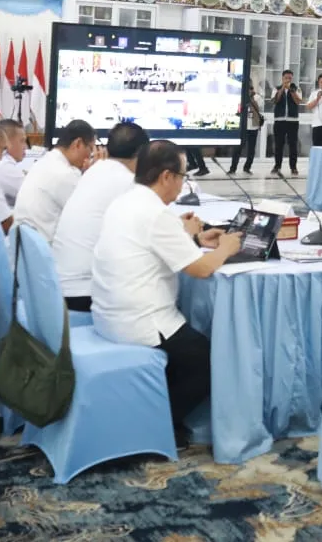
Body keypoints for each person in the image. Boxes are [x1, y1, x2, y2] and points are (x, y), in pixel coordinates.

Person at [90, 141, 243, 440]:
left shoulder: (127, 200)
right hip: (142, 323)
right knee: (208, 360)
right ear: (166, 177)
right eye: (183, 175)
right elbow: (200, 270)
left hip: (109, 314)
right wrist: (225, 248)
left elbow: (155, 245)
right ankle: (155, 425)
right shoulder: (156, 214)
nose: (183, 183)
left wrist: (196, 241)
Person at [51, 122, 149, 312]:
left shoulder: (94, 171)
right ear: (142, 154)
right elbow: (150, 234)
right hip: (84, 294)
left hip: (62, 288)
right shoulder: (127, 182)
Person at [13, 120, 96, 242]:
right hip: (48, 251)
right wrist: (97, 173)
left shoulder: (46, 161)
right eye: (90, 149)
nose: (90, 156)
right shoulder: (64, 174)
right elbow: (91, 214)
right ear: (78, 143)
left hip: (28, 249)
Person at [270, 70, 302, 176]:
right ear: (282, 78)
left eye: (290, 78)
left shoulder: (296, 88)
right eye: (286, 78)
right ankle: (277, 166)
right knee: (279, 145)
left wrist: (291, 91)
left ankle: (293, 167)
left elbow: (298, 101)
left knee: (293, 145)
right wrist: (283, 88)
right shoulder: (276, 88)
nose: (288, 80)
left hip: (292, 121)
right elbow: (275, 101)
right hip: (279, 120)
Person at [227, 86, 263, 175]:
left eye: (250, 89)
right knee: (237, 149)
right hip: (243, 127)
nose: (249, 91)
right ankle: (233, 168)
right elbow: (236, 111)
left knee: (251, 149)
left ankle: (247, 167)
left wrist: (251, 99)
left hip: (253, 127)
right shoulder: (240, 97)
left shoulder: (257, 97)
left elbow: (259, 108)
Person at [0, 119, 29, 206]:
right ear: (6, 142)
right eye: (22, 141)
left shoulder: (2, 162)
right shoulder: (5, 168)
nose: (26, 147)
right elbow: (35, 194)